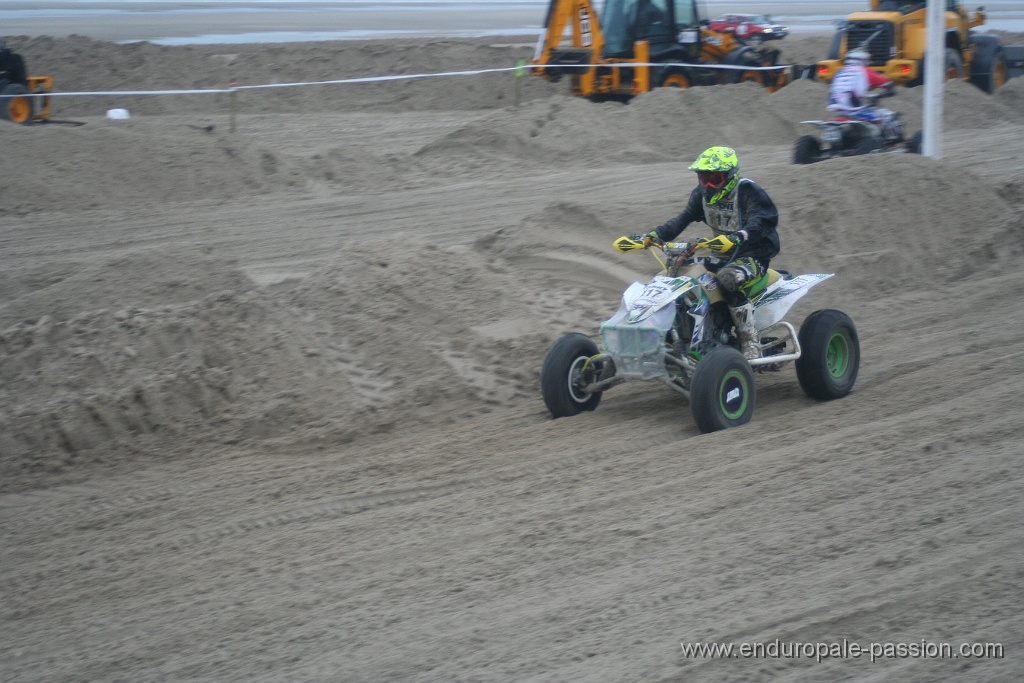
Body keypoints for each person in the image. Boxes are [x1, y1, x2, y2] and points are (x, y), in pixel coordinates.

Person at [632, 146, 780, 359]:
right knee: (677, 274)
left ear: (730, 176)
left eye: (715, 179)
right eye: (704, 179)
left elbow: (763, 220)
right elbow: (682, 219)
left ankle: (749, 340)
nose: (709, 185)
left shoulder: (748, 191)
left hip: (754, 254)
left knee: (728, 279)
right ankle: (675, 334)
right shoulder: (700, 195)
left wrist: (738, 237)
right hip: (722, 254)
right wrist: (654, 236)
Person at [827, 48, 894, 127]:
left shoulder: (840, 72)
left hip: (836, 107)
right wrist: (889, 89)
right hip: (854, 110)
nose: (868, 62)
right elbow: (885, 82)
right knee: (885, 117)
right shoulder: (863, 71)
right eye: (866, 60)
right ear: (861, 60)